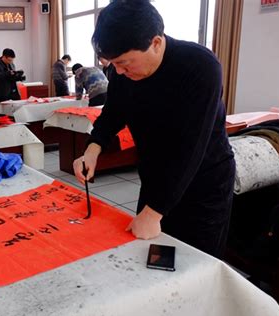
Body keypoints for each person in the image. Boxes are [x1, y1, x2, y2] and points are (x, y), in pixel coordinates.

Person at [73, 0, 236, 258]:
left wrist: (154, 212)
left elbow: (191, 149)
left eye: (126, 63)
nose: (119, 71)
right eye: (113, 64)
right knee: (148, 259)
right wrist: (92, 149)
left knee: (197, 265)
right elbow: (112, 113)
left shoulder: (200, 67)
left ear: (156, 43)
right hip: (155, 178)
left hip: (203, 184)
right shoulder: (122, 73)